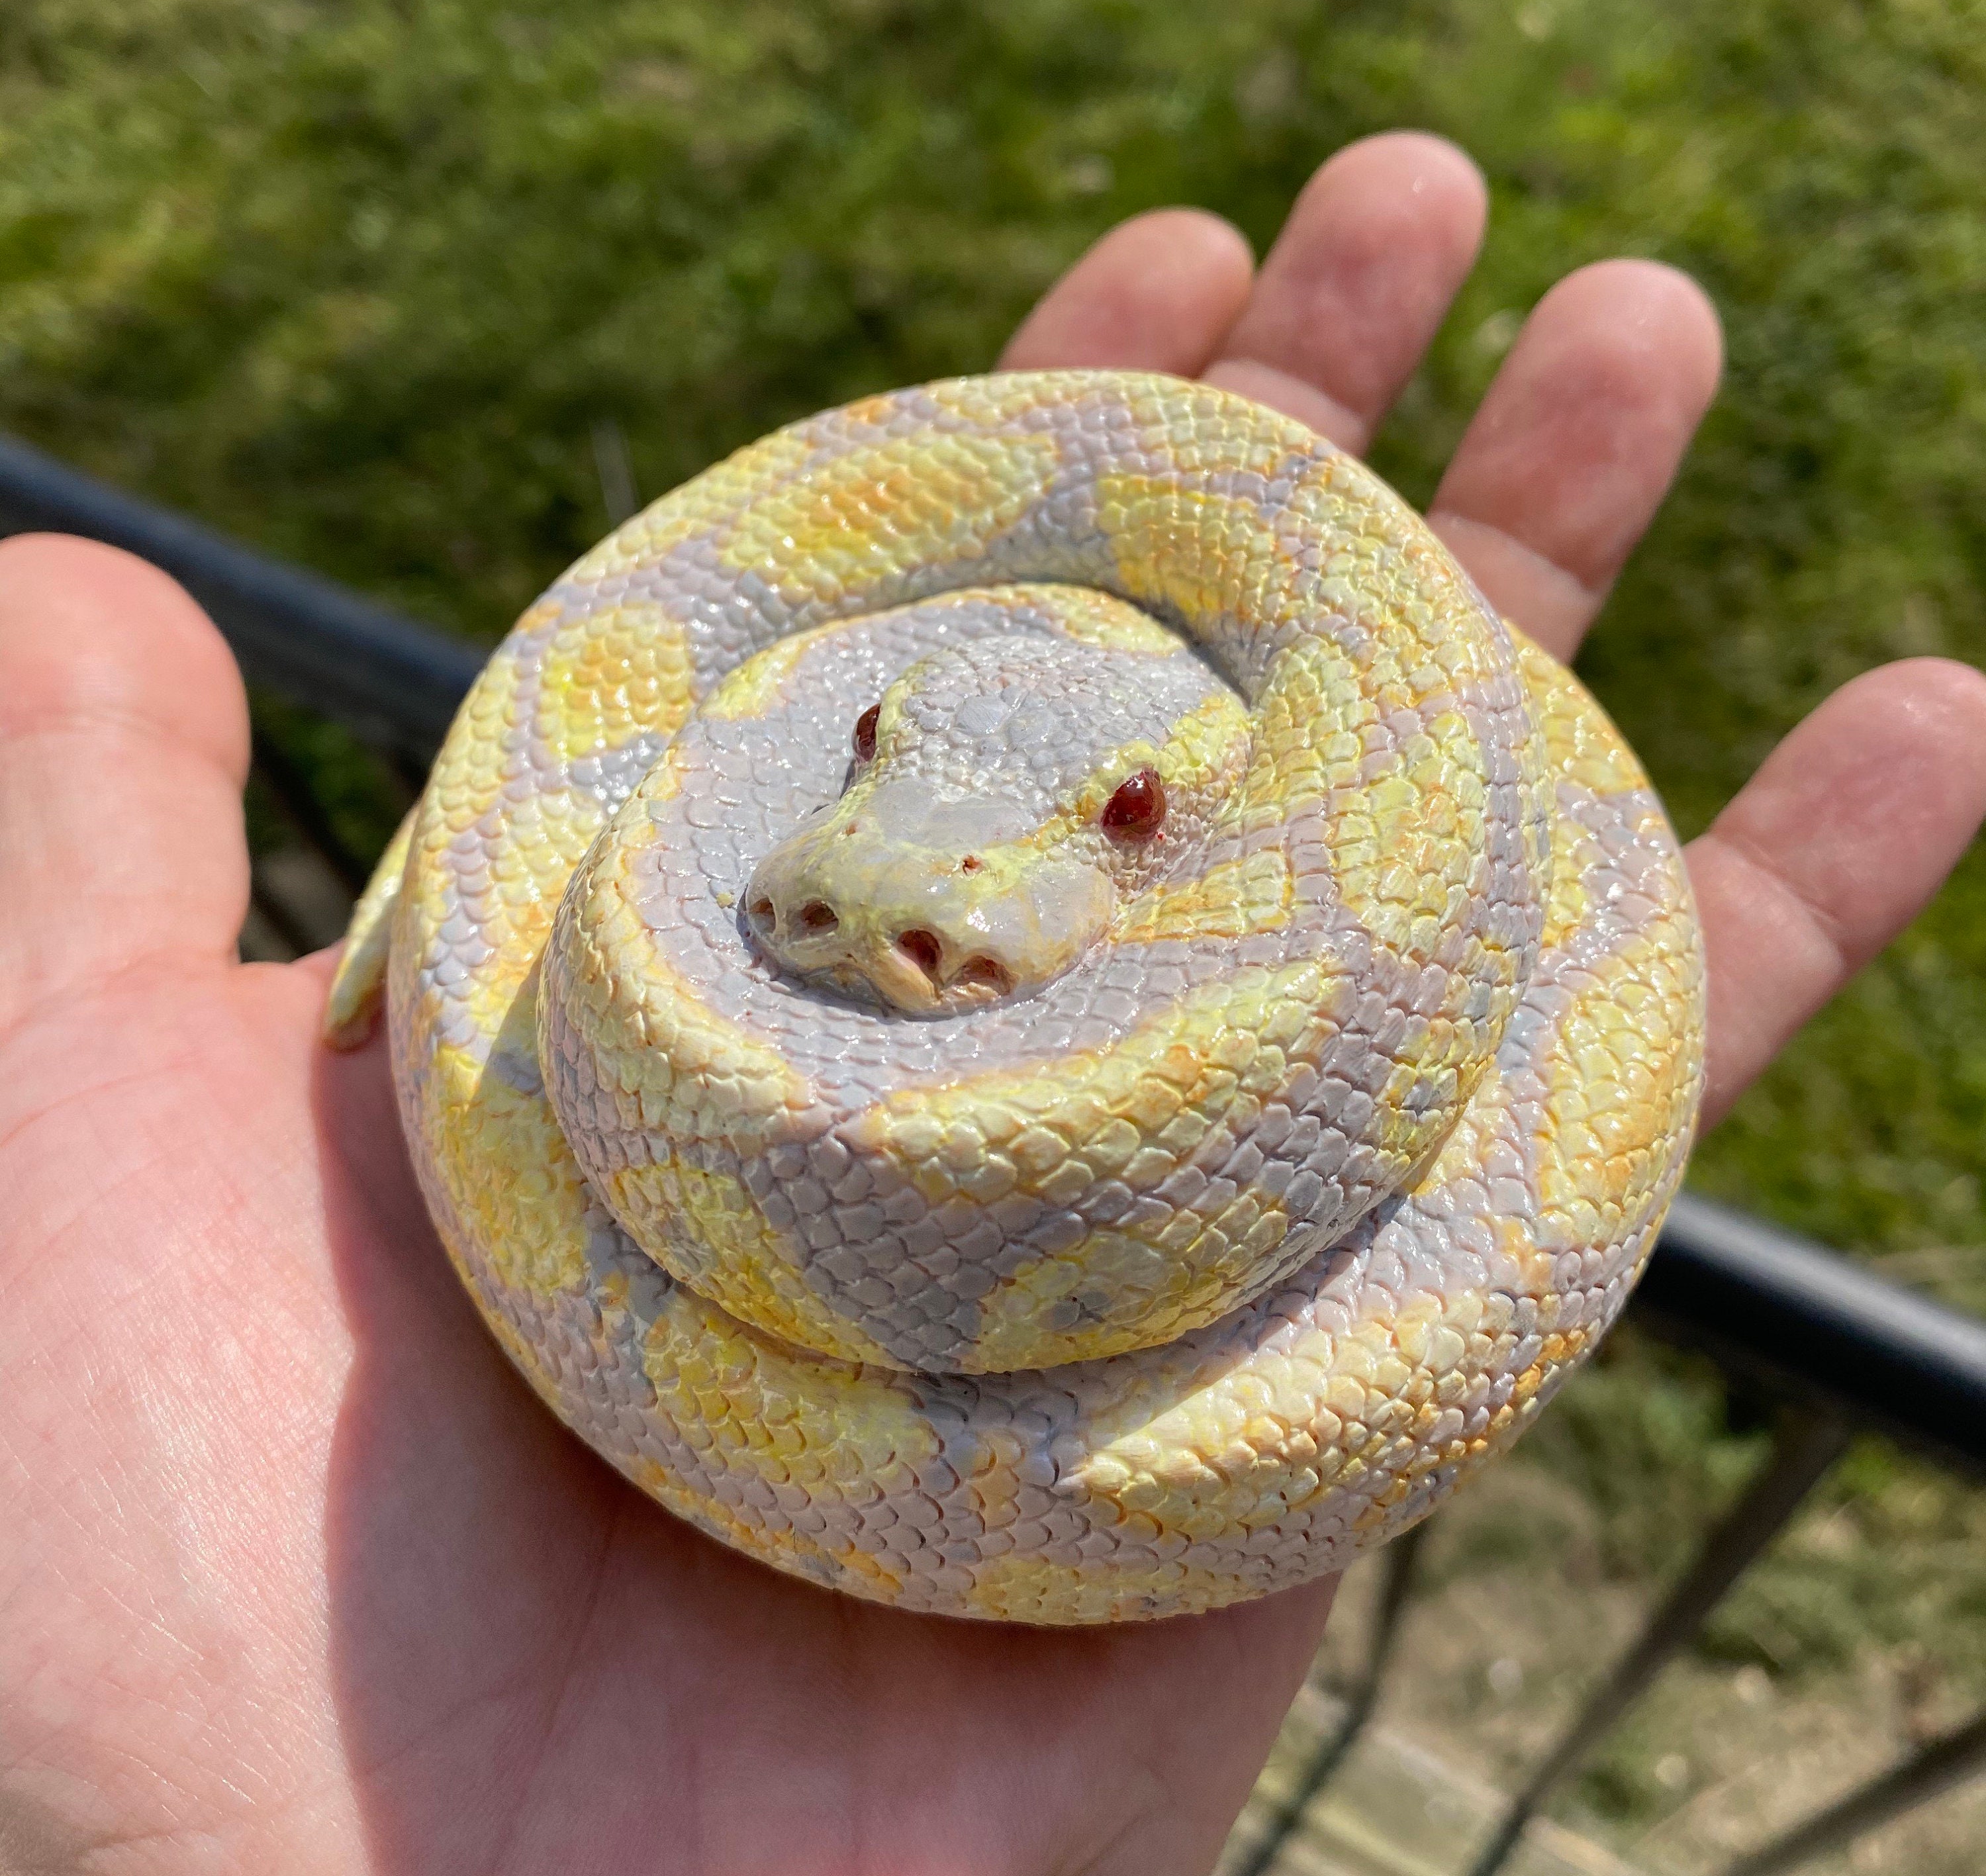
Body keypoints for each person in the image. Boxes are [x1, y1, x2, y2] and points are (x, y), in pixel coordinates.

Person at [3, 131, 1981, 1876]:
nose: (887, 913)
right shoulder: (778, 850)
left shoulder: (1391, 813)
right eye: (871, 737)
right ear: (867, 700)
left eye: (1132, 823)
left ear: (1241, 813)